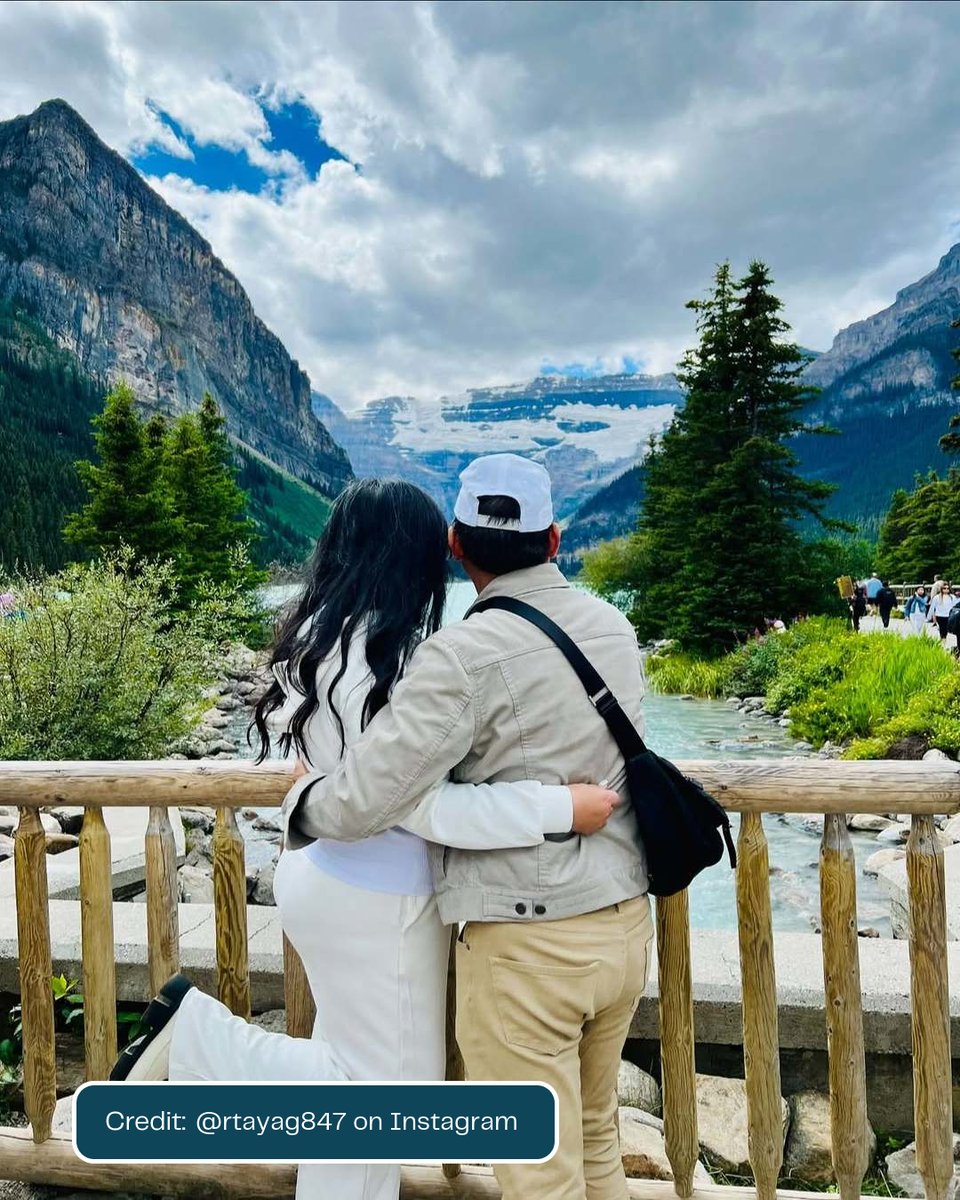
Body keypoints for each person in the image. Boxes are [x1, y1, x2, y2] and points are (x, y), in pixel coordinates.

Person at [110, 478, 618, 1200]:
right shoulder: (407, 662)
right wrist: (558, 807)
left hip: (320, 876)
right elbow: (424, 810)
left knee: (353, 1097)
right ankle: (195, 1035)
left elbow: (346, 782)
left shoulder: (312, 645)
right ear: (422, 558)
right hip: (386, 897)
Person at [283, 453, 652, 1200]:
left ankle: (201, 1047)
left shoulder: (443, 655)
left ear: (457, 544)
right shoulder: (614, 626)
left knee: (531, 1166)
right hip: (623, 922)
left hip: (523, 938)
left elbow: (370, 798)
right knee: (594, 1141)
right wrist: (564, 807)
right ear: (555, 540)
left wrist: (301, 804)